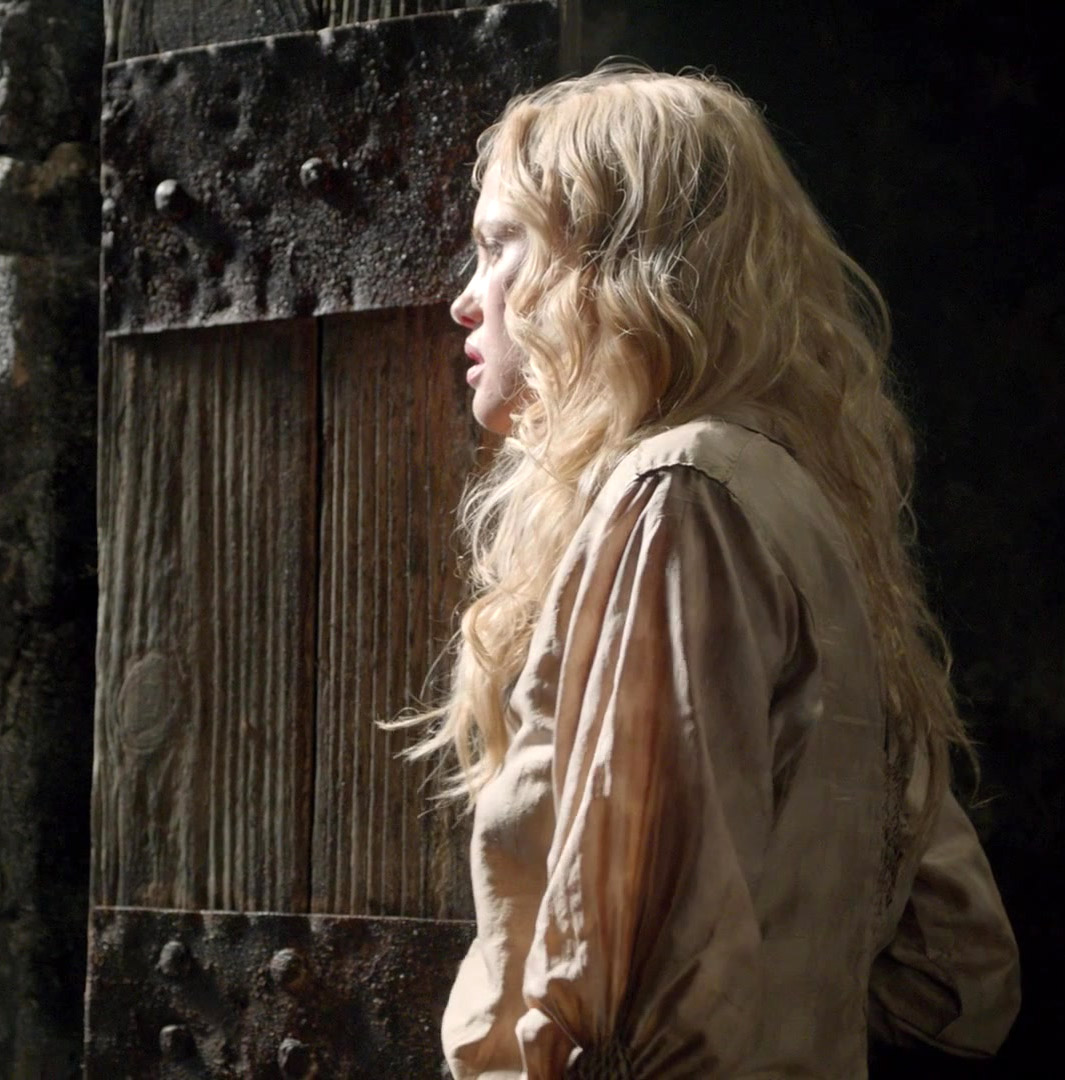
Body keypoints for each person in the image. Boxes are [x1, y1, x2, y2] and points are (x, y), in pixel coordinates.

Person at [406, 64, 1020, 1078]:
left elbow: (642, 999)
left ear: (606, 262)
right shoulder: (781, 497)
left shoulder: (678, 498)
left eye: (499, 245)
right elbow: (954, 973)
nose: (465, 302)